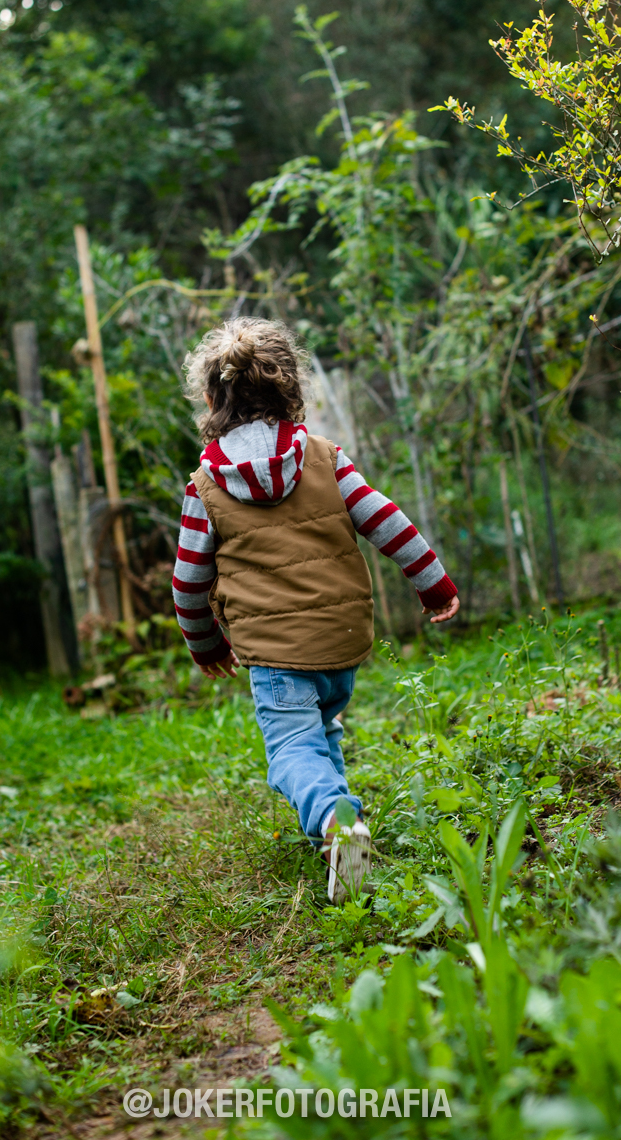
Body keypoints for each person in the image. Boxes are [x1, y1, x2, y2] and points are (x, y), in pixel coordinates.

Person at [172, 318, 460, 904]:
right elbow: (388, 522)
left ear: (209, 400)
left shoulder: (207, 486)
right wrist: (434, 585)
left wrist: (206, 644)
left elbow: (187, 582)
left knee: (292, 750)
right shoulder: (326, 459)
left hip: (275, 654)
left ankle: (333, 818)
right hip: (340, 638)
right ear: (290, 390)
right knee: (322, 732)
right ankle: (341, 849)